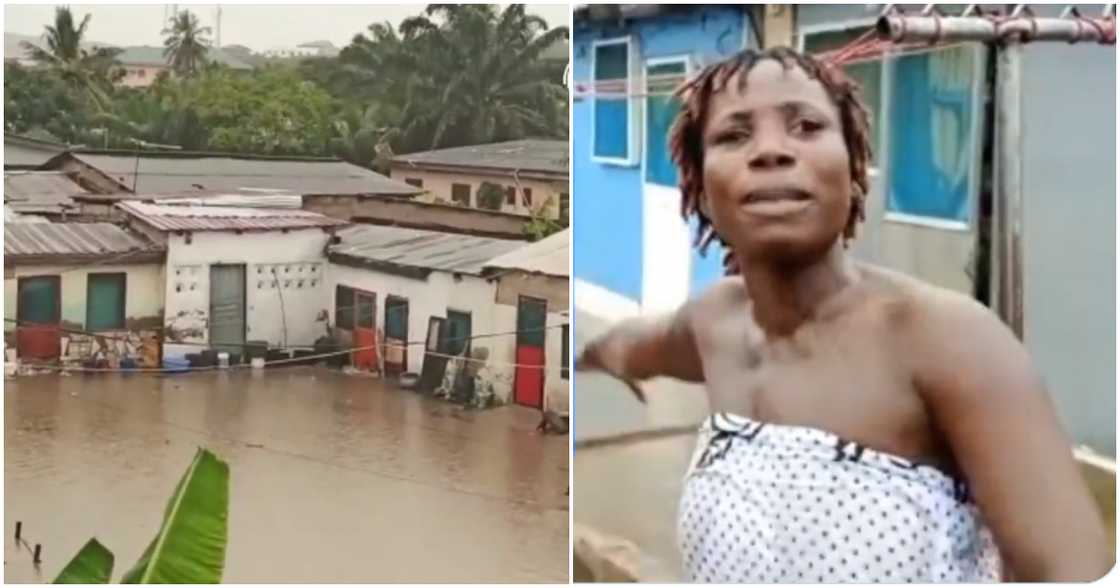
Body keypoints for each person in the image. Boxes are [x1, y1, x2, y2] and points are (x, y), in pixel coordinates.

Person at [576, 47, 1109, 583]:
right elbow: (627, 345)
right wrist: (577, 359)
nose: (770, 151)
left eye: (806, 126)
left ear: (856, 170)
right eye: (733, 136)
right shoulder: (714, 323)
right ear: (701, 190)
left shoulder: (949, 341)